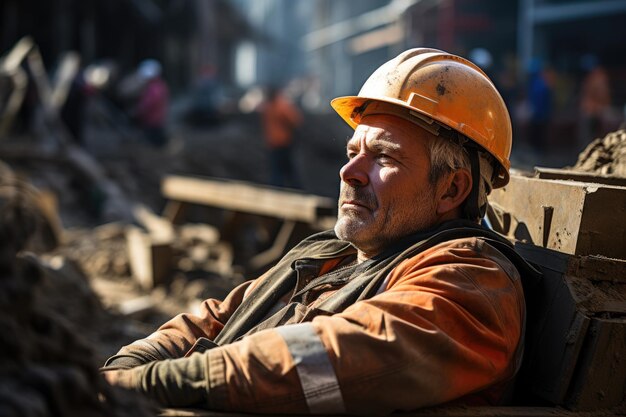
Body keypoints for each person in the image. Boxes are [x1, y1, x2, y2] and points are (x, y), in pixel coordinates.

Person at [101, 48, 539, 415]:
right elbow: (221, 316)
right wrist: (134, 361)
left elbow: (338, 359)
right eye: (352, 152)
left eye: (383, 157)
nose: (349, 172)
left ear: (452, 188)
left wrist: (159, 382)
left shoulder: (470, 281)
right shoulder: (336, 257)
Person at [260, 85, 303, 188]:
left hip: (274, 142)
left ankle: (279, 187)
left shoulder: (267, 107)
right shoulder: (281, 106)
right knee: (286, 168)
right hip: (283, 142)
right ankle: (294, 187)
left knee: (278, 168)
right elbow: (295, 120)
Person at [134, 59, 170, 147]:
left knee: (154, 142)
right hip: (155, 120)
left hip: (153, 121)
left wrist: (138, 110)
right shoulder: (158, 85)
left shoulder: (155, 88)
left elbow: (148, 104)